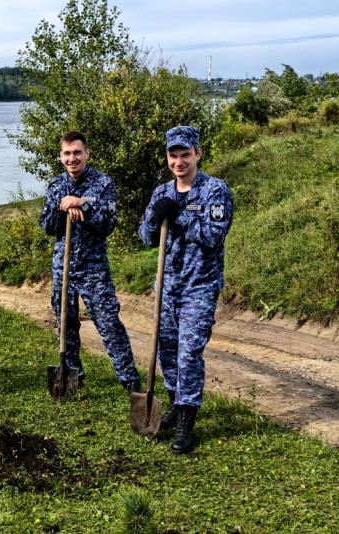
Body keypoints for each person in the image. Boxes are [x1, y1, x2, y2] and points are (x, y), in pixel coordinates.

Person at [138, 125, 233, 454]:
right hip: (166, 287)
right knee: (167, 354)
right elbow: (146, 236)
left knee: (189, 354)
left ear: (198, 154)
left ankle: (185, 422)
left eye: (185, 155)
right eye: (173, 156)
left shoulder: (214, 191)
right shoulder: (162, 192)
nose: (179, 161)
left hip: (199, 288)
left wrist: (178, 218)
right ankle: (175, 404)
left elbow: (213, 235)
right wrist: (155, 219)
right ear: (167, 158)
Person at [40, 131, 142, 393]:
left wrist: (83, 206)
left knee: (108, 323)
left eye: (77, 153)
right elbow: (48, 227)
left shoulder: (102, 183)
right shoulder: (55, 186)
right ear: (61, 156)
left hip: (93, 268)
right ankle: (73, 375)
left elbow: (108, 224)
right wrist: (61, 207)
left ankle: (131, 383)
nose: (72, 158)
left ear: (87, 154)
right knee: (66, 324)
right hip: (63, 268)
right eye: (67, 153)